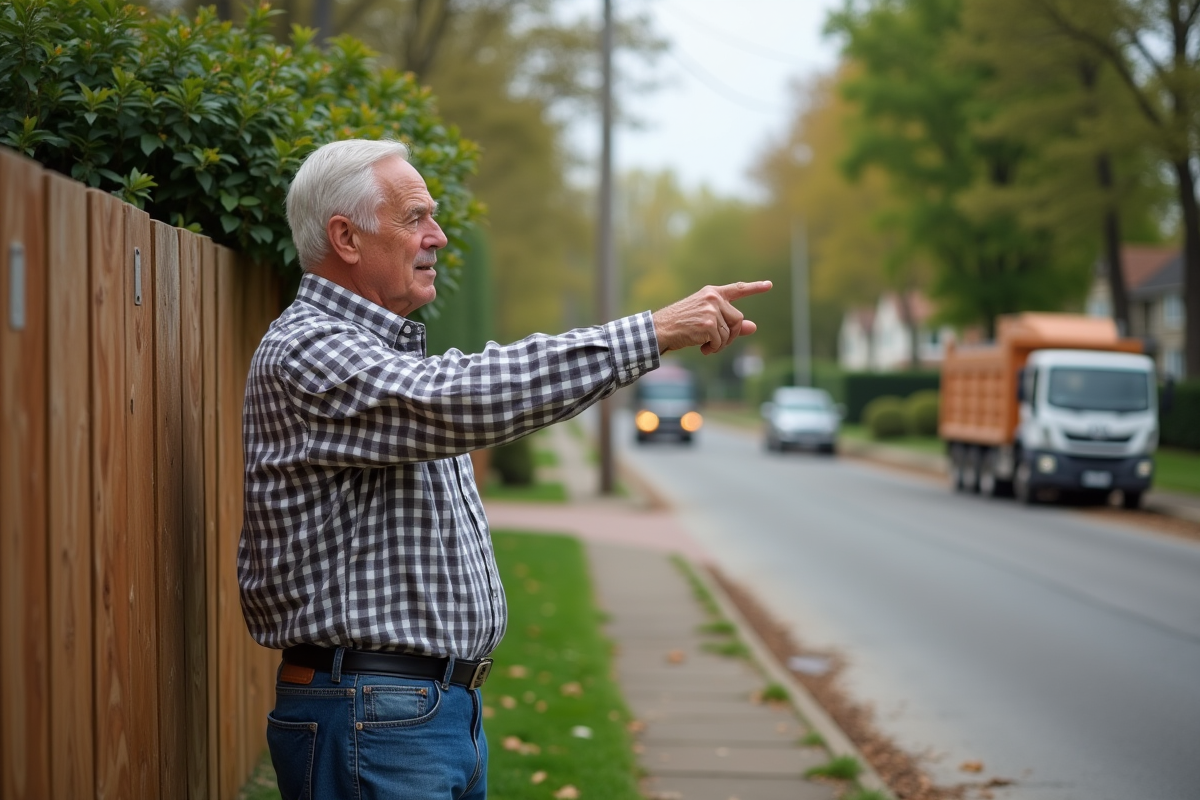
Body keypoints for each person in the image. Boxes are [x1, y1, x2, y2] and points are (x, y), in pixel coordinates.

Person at [238, 138, 771, 800]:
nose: (436, 236)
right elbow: (460, 398)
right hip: (371, 716)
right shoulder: (310, 351)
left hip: (415, 715)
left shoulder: (376, 353)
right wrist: (651, 332)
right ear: (345, 238)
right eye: (414, 219)